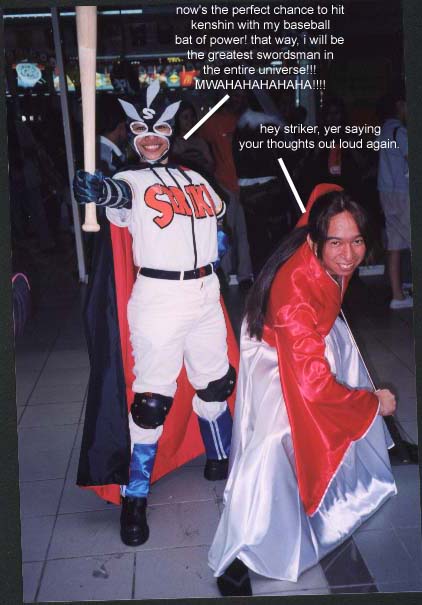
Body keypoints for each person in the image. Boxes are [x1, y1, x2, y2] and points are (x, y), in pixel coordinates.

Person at [208, 184, 397, 596]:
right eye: (336, 243)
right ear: (314, 242)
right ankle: (243, 546)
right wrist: (372, 404)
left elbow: (324, 194)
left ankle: (354, 474)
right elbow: (314, 386)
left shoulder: (323, 235)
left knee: (348, 373)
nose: (348, 255)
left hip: (313, 333)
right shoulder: (293, 294)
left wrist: (336, 203)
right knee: (273, 440)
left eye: (357, 241)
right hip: (279, 348)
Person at [73, 80, 238, 547]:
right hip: (159, 298)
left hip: (205, 292)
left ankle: (221, 457)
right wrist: (98, 191)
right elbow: (118, 199)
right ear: (132, 134)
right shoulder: (130, 181)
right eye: (141, 131)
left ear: (170, 133)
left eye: (159, 130)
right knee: (151, 401)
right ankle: (136, 496)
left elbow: (219, 214)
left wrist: (217, 240)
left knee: (215, 382)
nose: (150, 139)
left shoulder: (196, 178)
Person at [199, 91, 254, 290]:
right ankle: (225, 273)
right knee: (226, 231)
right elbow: (198, 139)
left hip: (247, 185)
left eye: (241, 95)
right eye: (234, 95)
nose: (237, 99)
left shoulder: (246, 119)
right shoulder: (213, 121)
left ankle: (245, 275)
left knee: (245, 233)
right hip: (224, 184)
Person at [377, 89, 412, 309]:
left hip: (386, 192)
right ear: (400, 105)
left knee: (395, 245)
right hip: (402, 192)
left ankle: (397, 296)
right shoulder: (400, 131)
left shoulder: (383, 130)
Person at [170, 100, 215, 176]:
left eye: (192, 116)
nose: (190, 120)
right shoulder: (172, 144)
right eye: (185, 117)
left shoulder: (200, 142)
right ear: (177, 119)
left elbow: (211, 165)